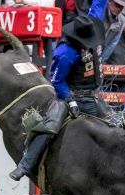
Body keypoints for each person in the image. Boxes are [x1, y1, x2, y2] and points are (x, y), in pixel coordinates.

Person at [9, 0, 108, 181]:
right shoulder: (65, 53)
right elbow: (57, 80)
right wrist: (70, 100)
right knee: (51, 124)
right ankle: (25, 164)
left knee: (119, 125)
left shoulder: (89, 25)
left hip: (93, 96)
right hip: (70, 95)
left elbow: (99, 4)